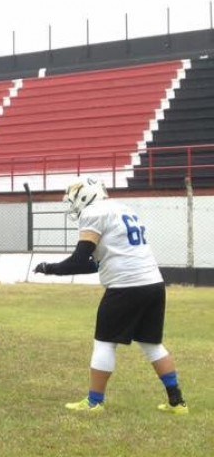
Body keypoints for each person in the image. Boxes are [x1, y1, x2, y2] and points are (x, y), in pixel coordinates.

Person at [34, 177, 188, 415]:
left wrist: (49, 267)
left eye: (74, 200)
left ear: (85, 196)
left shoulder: (93, 213)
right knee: (152, 344)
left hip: (125, 286)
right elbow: (95, 264)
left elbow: (78, 260)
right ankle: (177, 402)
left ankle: (95, 402)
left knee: (105, 342)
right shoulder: (122, 209)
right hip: (153, 284)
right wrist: (51, 268)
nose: (73, 206)